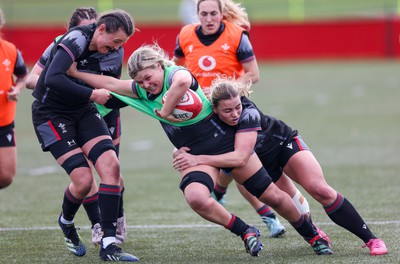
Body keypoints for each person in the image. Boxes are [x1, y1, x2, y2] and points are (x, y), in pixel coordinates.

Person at [68, 43, 333, 257]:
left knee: (273, 197)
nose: (146, 84)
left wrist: (166, 110)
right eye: (139, 80)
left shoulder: (177, 74)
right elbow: (111, 84)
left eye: (148, 77)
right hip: (194, 155)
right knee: (196, 198)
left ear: (159, 66)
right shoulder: (141, 89)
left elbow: (182, 82)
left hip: (226, 146)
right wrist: (74, 73)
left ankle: (312, 234)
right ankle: (245, 231)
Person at [172, 77, 388, 256]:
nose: (235, 113)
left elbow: (239, 157)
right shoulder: (209, 121)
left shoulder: (248, 113)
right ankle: (314, 234)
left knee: (320, 189)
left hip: (282, 144)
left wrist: (199, 159)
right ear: (215, 110)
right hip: (262, 165)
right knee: (293, 206)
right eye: (228, 110)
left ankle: (371, 239)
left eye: (237, 106)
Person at [172, 0, 286, 238]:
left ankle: (266, 215)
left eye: (214, 13)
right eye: (204, 14)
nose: (209, 18)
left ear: (221, 14)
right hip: (200, 117)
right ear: (197, 15)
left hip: (230, 112)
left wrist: (225, 92)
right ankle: (227, 197)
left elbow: (253, 74)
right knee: (231, 166)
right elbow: (175, 69)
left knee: (239, 166)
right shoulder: (185, 35)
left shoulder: (236, 34)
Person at [31, 9, 138, 262]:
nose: (117, 48)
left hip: (83, 110)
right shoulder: (75, 39)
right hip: (51, 114)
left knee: (111, 166)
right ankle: (66, 221)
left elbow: (109, 86)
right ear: (101, 30)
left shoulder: (110, 49)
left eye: (121, 44)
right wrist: (92, 95)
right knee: (83, 181)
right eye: (116, 41)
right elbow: (52, 78)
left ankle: (109, 244)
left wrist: (147, 99)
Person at [0, 7, 29, 189]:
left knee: (6, 176)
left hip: (4, 121)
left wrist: (17, 88)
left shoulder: (10, 50)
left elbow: (23, 75)